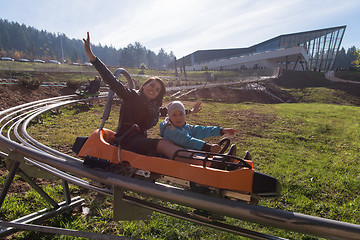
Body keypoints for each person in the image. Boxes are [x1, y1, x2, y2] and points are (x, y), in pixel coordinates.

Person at [83, 32, 203, 164]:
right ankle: (203, 163)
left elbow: (168, 111)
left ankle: (202, 158)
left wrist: (191, 111)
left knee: (168, 143)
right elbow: (112, 81)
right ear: (145, 85)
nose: (153, 90)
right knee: (164, 144)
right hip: (126, 140)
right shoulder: (131, 96)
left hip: (138, 140)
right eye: (152, 85)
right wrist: (92, 57)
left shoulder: (153, 106)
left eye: (157, 90)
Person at [160, 101, 239, 154]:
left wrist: (222, 130)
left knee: (200, 155)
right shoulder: (170, 130)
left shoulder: (185, 127)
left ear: (185, 115)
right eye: (174, 115)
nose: (178, 118)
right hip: (176, 156)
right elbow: (186, 141)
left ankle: (227, 162)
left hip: (185, 153)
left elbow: (202, 130)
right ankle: (218, 163)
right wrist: (208, 147)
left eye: (181, 114)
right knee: (199, 157)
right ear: (169, 117)